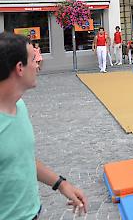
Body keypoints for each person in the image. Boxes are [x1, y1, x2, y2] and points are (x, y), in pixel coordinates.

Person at [0, 33, 88, 219]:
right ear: (19, 68)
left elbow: (21, 160)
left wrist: (62, 184)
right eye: (34, 59)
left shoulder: (20, 107)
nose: (38, 63)